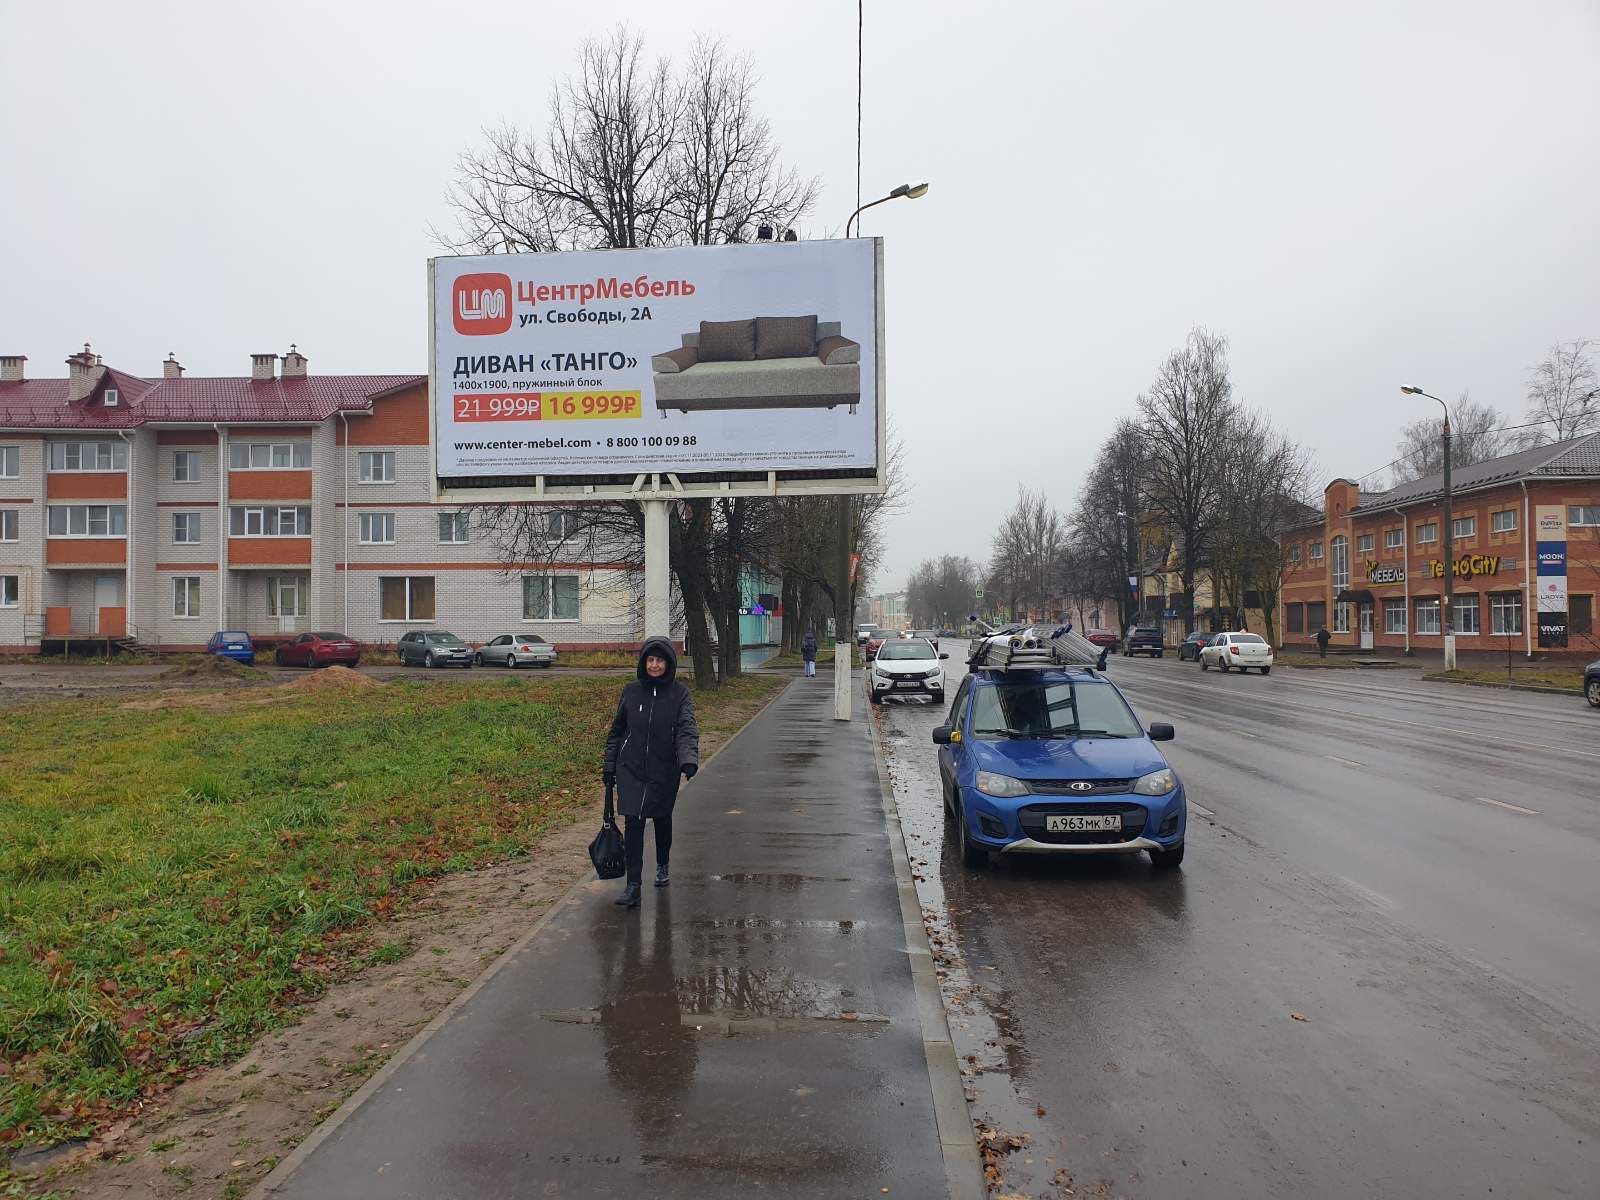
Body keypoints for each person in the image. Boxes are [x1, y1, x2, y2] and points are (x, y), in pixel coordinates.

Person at [602, 637, 699, 909]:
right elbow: (617, 731)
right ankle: (633, 885)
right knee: (633, 823)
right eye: (650, 660)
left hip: (663, 769)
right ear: (644, 662)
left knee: (661, 819)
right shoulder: (631, 692)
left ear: (668, 664)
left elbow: (686, 729)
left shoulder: (679, 694)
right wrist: (609, 766)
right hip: (630, 769)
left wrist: (688, 760)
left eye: (660, 660)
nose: (655, 665)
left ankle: (663, 864)